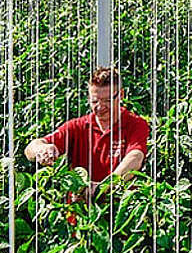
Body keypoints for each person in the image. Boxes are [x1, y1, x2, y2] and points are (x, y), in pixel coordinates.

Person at [24, 66, 149, 198]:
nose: (100, 107)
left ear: (121, 94)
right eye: (95, 101)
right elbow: (31, 149)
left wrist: (104, 187)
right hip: (79, 210)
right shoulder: (78, 126)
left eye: (107, 100)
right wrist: (42, 149)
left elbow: (135, 157)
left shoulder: (135, 124)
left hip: (119, 207)